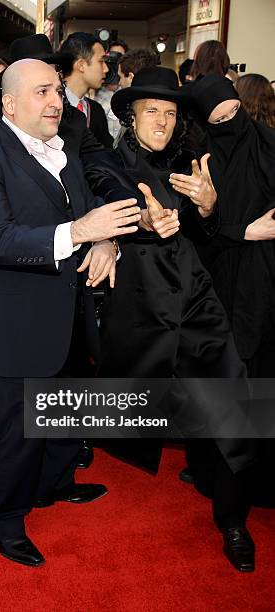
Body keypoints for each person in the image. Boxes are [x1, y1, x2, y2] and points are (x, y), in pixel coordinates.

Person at [0, 58, 142, 567]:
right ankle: (4, 519)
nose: (56, 101)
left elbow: (86, 214)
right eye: (41, 93)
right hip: (9, 324)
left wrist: (107, 245)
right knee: (20, 431)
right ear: (9, 103)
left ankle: (53, 487)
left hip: (67, 314)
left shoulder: (64, 153)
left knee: (64, 416)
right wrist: (82, 233)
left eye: (56, 91)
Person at [84, 67, 257, 572]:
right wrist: (141, 218)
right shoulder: (106, 160)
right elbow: (108, 196)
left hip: (198, 306)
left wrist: (208, 208)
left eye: (170, 112)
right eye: (151, 111)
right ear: (131, 116)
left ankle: (233, 519)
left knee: (233, 404)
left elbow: (210, 238)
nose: (161, 121)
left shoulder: (193, 164)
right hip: (140, 312)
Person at [188, 74, 275, 508]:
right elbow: (197, 234)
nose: (230, 122)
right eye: (219, 119)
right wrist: (244, 231)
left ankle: (258, 480)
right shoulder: (199, 160)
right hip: (221, 286)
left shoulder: (268, 143)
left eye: (234, 113)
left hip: (268, 284)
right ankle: (223, 486)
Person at [60, 32, 113, 148]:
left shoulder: (96, 111)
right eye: (101, 61)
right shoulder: (54, 106)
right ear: (81, 65)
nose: (106, 69)